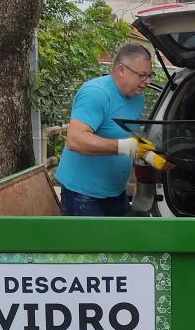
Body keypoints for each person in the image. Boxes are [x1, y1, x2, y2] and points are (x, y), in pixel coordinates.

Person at [56, 44, 157, 216]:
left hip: (116, 192)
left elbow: (127, 133)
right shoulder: (96, 94)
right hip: (83, 195)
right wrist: (125, 147)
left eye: (149, 75)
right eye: (142, 75)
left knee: (117, 242)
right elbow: (75, 140)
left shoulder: (137, 97)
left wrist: (145, 152)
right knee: (90, 244)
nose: (147, 81)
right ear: (121, 70)